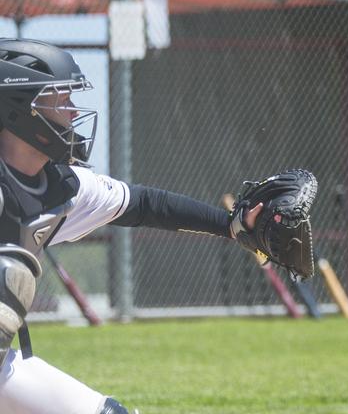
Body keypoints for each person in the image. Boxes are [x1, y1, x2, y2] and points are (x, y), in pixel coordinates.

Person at [0, 38, 283, 413]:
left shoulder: (61, 187)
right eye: (59, 99)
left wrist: (234, 225)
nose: (73, 112)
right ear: (19, 109)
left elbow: (145, 204)